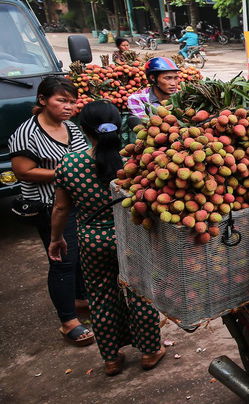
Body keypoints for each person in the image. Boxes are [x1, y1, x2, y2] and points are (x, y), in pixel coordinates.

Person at [49, 101, 164, 376]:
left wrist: (56, 238)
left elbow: (61, 208)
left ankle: (111, 358)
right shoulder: (135, 162)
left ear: (84, 129)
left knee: (100, 297)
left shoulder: (69, 164)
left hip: (92, 240)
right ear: (118, 126)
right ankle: (150, 351)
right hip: (131, 236)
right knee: (140, 292)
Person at [8, 76, 93, 347]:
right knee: (62, 261)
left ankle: (80, 300)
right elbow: (23, 171)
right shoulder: (27, 133)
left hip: (76, 202)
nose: (69, 107)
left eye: (72, 102)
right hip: (49, 206)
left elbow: (83, 157)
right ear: (43, 100)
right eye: (62, 101)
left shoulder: (71, 127)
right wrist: (65, 174)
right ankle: (68, 321)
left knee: (78, 256)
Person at [126, 57, 182, 129]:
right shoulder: (137, 99)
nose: (173, 83)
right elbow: (145, 128)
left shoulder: (181, 98)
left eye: (176, 78)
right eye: (167, 78)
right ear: (153, 78)